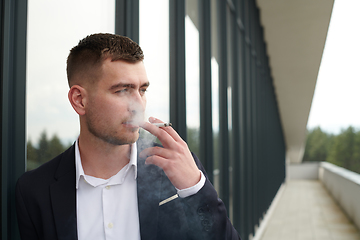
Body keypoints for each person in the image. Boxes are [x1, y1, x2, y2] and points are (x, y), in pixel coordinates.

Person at [16, 33, 240, 240]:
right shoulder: (35, 191)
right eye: (122, 90)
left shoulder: (176, 170)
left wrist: (195, 189)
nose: (138, 105)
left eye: (142, 90)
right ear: (79, 100)